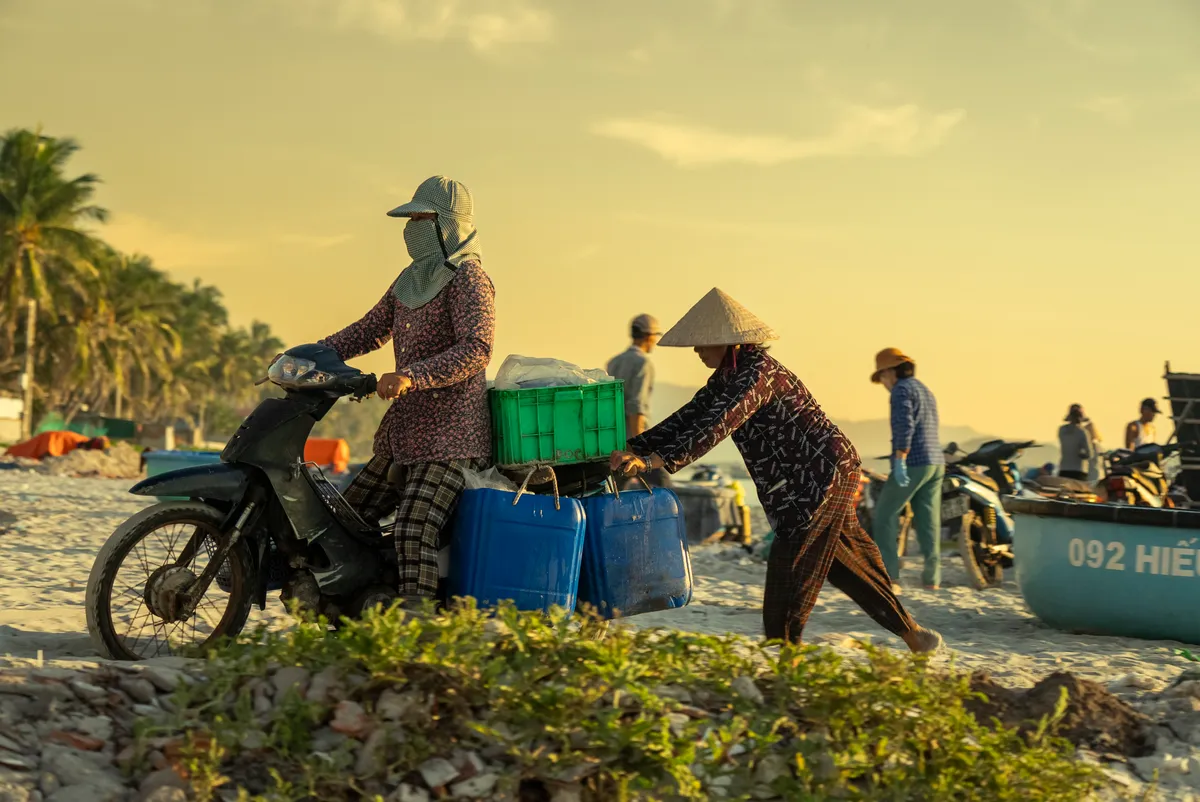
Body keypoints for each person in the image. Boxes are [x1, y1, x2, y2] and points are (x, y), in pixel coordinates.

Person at [608, 288, 942, 653]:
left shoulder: (755, 375)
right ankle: (914, 635)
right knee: (848, 562)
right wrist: (636, 447)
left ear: (729, 343)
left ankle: (786, 654)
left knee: (790, 565)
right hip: (819, 477)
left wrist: (658, 462)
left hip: (819, 478)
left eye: (703, 344)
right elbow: (691, 416)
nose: (697, 351)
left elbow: (718, 424)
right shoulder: (728, 377)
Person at [315, 176, 495, 610]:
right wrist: (315, 353)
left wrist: (413, 375)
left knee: (415, 527)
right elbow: (370, 329)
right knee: (343, 518)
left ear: (448, 224)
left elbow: (477, 348)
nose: (411, 226)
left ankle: (416, 625)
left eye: (420, 217)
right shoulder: (411, 279)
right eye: (410, 217)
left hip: (453, 438)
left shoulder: (469, 279)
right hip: (405, 433)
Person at [869, 348, 945, 591]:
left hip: (913, 462)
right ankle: (932, 579)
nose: (882, 383)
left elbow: (905, 424)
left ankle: (890, 576)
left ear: (890, 372)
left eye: (881, 377)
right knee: (928, 521)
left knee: (884, 515)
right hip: (935, 462)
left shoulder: (901, 390)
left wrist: (900, 457)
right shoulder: (923, 388)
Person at [607, 315, 671, 488]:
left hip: (613, 439)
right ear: (649, 336)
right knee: (663, 484)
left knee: (614, 490)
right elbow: (636, 406)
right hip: (632, 439)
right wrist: (638, 445)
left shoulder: (614, 362)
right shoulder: (642, 363)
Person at [1057, 404, 1094, 481]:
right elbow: (1089, 454)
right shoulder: (1083, 432)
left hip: (1064, 468)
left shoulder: (1062, 430)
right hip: (1079, 470)